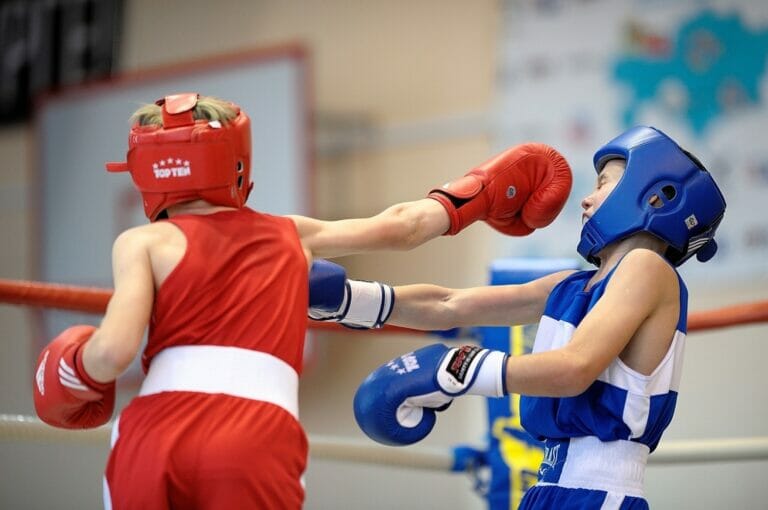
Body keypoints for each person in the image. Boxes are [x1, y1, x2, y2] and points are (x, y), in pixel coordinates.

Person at [31, 92, 572, 509]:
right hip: (257, 431)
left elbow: (114, 352)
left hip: (158, 425)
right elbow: (403, 227)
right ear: (236, 162)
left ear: (144, 172)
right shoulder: (289, 231)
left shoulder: (143, 241)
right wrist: (487, 186)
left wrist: (72, 365)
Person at [309, 126, 726, 509]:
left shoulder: (648, 269)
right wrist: (348, 300)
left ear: (656, 195)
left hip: (599, 494)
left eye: (603, 184)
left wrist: (456, 369)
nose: (586, 198)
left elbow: (575, 367)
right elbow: (449, 303)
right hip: (548, 489)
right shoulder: (572, 285)